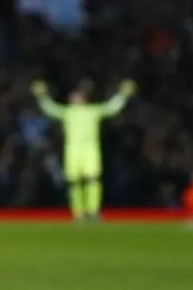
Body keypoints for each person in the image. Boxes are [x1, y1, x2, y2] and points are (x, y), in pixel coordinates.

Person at [31, 79, 137, 221]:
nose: (73, 98)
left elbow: (112, 108)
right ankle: (78, 212)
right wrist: (42, 95)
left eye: (76, 96)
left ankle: (93, 211)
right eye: (72, 96)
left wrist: (122, 95)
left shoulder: (92, 111)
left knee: (93, 180)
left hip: (90, 151)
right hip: (73, 151)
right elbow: (50, 109)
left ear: (84, 99)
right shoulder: (67, 112)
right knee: (75, 182)